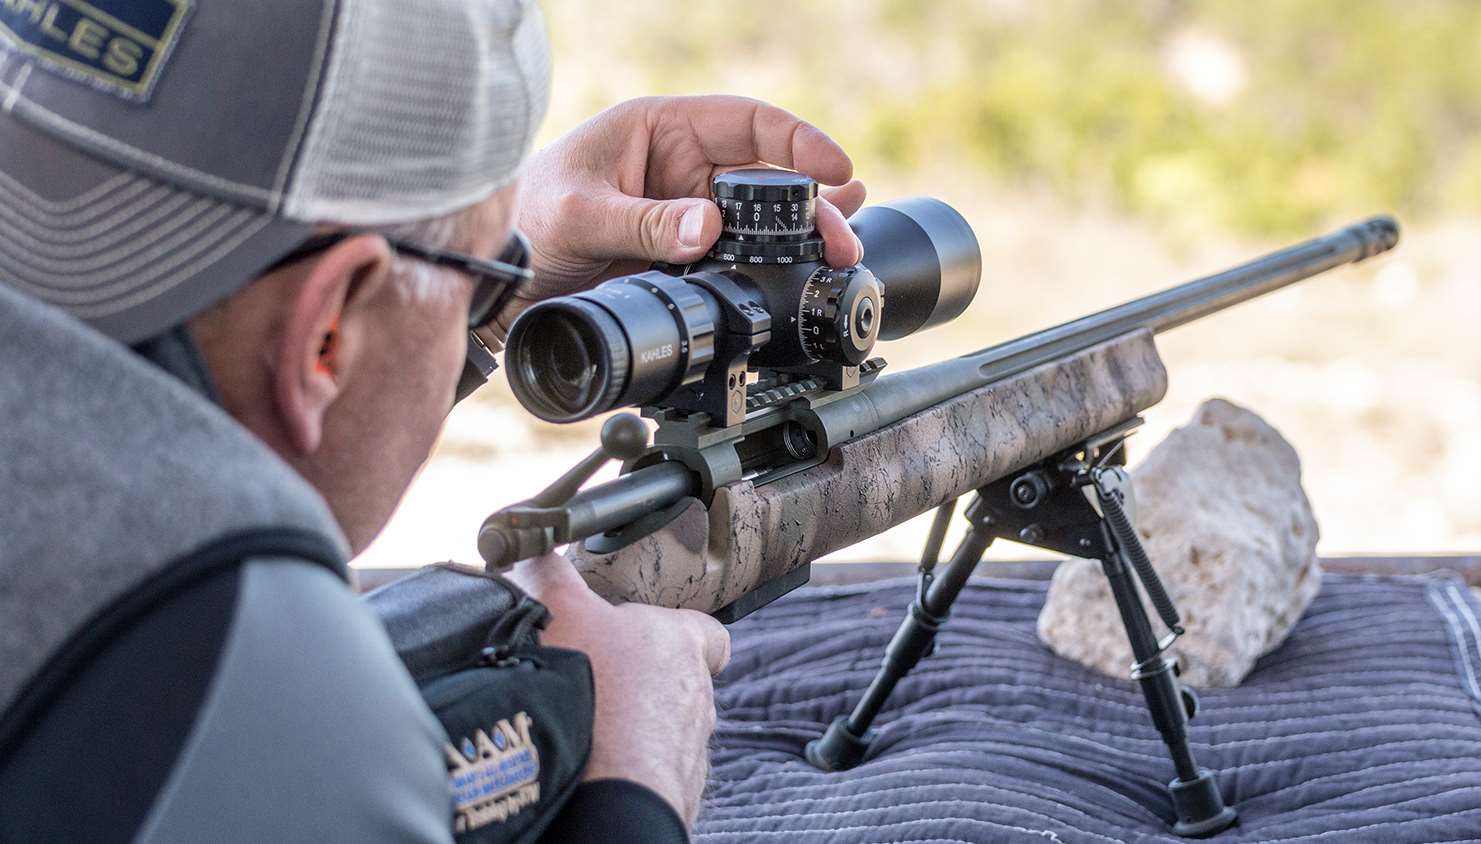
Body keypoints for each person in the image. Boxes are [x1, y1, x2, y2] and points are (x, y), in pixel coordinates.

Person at [0, 0, 864, 840]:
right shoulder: (230, 652)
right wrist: (632, 781)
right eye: (490, 277)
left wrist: (460, 288)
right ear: (327, 327)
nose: (498, 301)